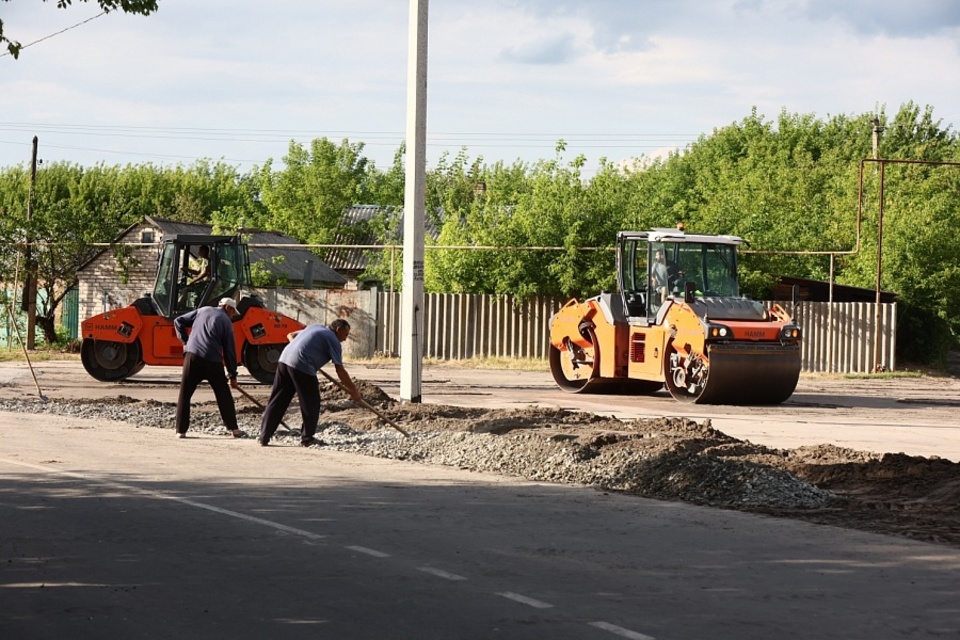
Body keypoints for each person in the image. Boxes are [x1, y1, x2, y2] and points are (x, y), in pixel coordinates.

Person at [258, 319, 363, 447]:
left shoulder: (315, 327)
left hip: (284, 360)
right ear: (338, 330)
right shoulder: (333, 340)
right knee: (311, 402)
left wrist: (299, 350)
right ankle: (307, 438)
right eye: (345, 335)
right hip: (301, 365)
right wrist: (353, 390)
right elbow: (340, 370)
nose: (345, 339)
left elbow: (290, 335)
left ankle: (264, 436)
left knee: (278, 399)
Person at [173, 297, 243, 439]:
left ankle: (181, 431)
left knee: (185, 393)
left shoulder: (203, 310)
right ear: (227, 308)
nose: (232, 316)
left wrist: (185, 340)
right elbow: (229, 351)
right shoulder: (226, 322)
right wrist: (232, 375)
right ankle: (234, 429)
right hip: (212, 360)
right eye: (233, 312)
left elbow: (178, 321)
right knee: (223, 394)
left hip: (192, 356)